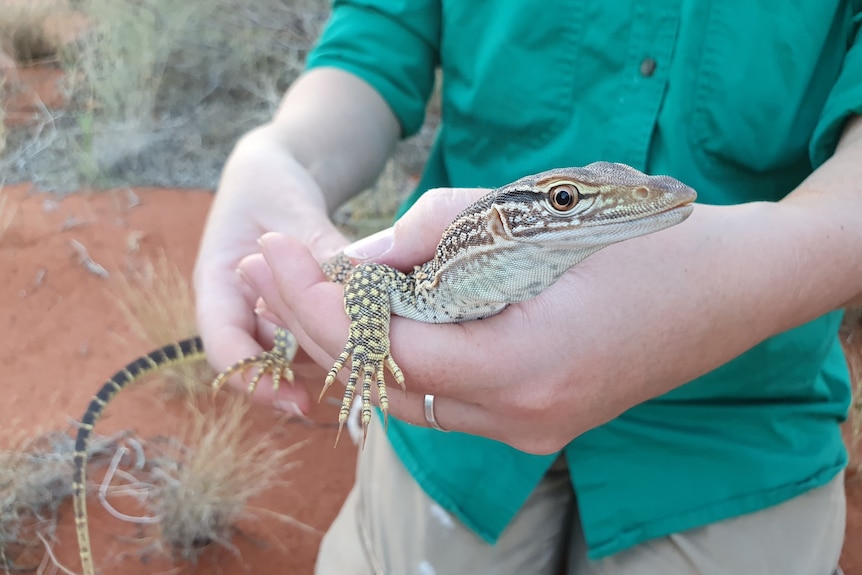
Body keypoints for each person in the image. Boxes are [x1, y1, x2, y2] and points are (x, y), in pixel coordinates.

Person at [193, 2, 862, 574]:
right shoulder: (429, 290)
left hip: (737, 430)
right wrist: (280, 152)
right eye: (566, 199)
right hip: (448, 440)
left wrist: (742, 277)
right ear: (509, 222)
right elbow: (380, 28)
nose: (575, 205)